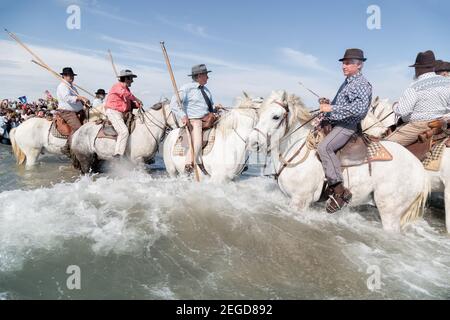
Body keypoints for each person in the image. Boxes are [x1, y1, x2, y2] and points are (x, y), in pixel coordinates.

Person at [317, 48, 373, 213]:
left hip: (347, 126)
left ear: (360, 65)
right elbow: (343, 105)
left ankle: (340, 191)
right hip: (337, 122)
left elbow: (359, 109)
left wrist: (331, 108)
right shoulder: (348, 82)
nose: (344, 66)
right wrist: (328, 105)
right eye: (343, 63)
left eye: (348, 63)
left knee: (324, 147)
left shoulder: (361, 84)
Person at [386, 51, 450, 146]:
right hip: (442, 124)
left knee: (384, 146)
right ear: (433, 67)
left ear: (417, 68)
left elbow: (403, 111)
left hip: (419, 126)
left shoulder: (414, 86)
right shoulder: (447, 82)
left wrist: (395, 106)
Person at [170, 64, 221, 175]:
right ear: (199, 76)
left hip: (208, 118)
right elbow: (173, 104)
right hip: (195, 120)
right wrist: (183, 116)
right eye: (206, 75)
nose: (208, 77)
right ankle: (189, 165)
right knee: (197, 143)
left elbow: (210, 108)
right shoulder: (186, 88)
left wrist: (215, 109)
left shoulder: (207, 91)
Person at [104, 70, 143, 159]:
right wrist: (136, 99)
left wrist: (137, 104)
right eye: (131, 78)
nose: (132, 81)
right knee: (123, 131)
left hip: (123, 113)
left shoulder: (127, 89)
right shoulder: (117, 86)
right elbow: (126, 94)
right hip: (113, 112)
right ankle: (118, 154)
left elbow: (129, 101)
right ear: (126, 78)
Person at [56, 67, 90, 154]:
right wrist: (80, 97)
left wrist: (84, 102)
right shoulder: (62, 86)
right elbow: (67, 98)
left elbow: (77, 99)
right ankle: (67, 147)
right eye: (68, 75)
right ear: (64, 76)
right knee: (78, 129)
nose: (71, 77)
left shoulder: (73, 88)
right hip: (66, 112)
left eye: (72, 75)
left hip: (77, 111)